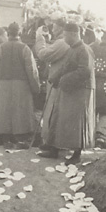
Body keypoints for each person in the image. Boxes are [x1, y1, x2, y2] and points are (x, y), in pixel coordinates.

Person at [46, 22, 96, 163]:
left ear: (74, 35)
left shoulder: (84, 50)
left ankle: (77, 154)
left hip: (80, 90)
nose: (64, 38)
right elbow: (66, 67)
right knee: (59, 117)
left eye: (65, 35)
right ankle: (54, 148)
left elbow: (84, 71)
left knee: (77, 121)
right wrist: (55, 78)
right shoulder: (72, 49)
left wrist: (63, 79)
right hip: (70, 88)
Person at [0, 22, 40, 150]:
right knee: (21, 110)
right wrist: (35, 87)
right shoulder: (25, 48)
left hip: (4, 83)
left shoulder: (1, 48)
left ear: (8, 33)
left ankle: (6, 138)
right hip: (22, 84)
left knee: (5, 110)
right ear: (19, 33)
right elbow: (31, 70)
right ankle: (20, 138)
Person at [34, 18, 70, 157]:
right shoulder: (62, 42)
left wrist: (40, 39)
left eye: (54, 27)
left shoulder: (61, 42)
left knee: (53, 112)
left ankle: (52, 145)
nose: (52, 29)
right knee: (56, 112)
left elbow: (43, 54)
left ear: (61, 28)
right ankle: (53, 143)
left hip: (57, 82)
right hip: (61, 80)